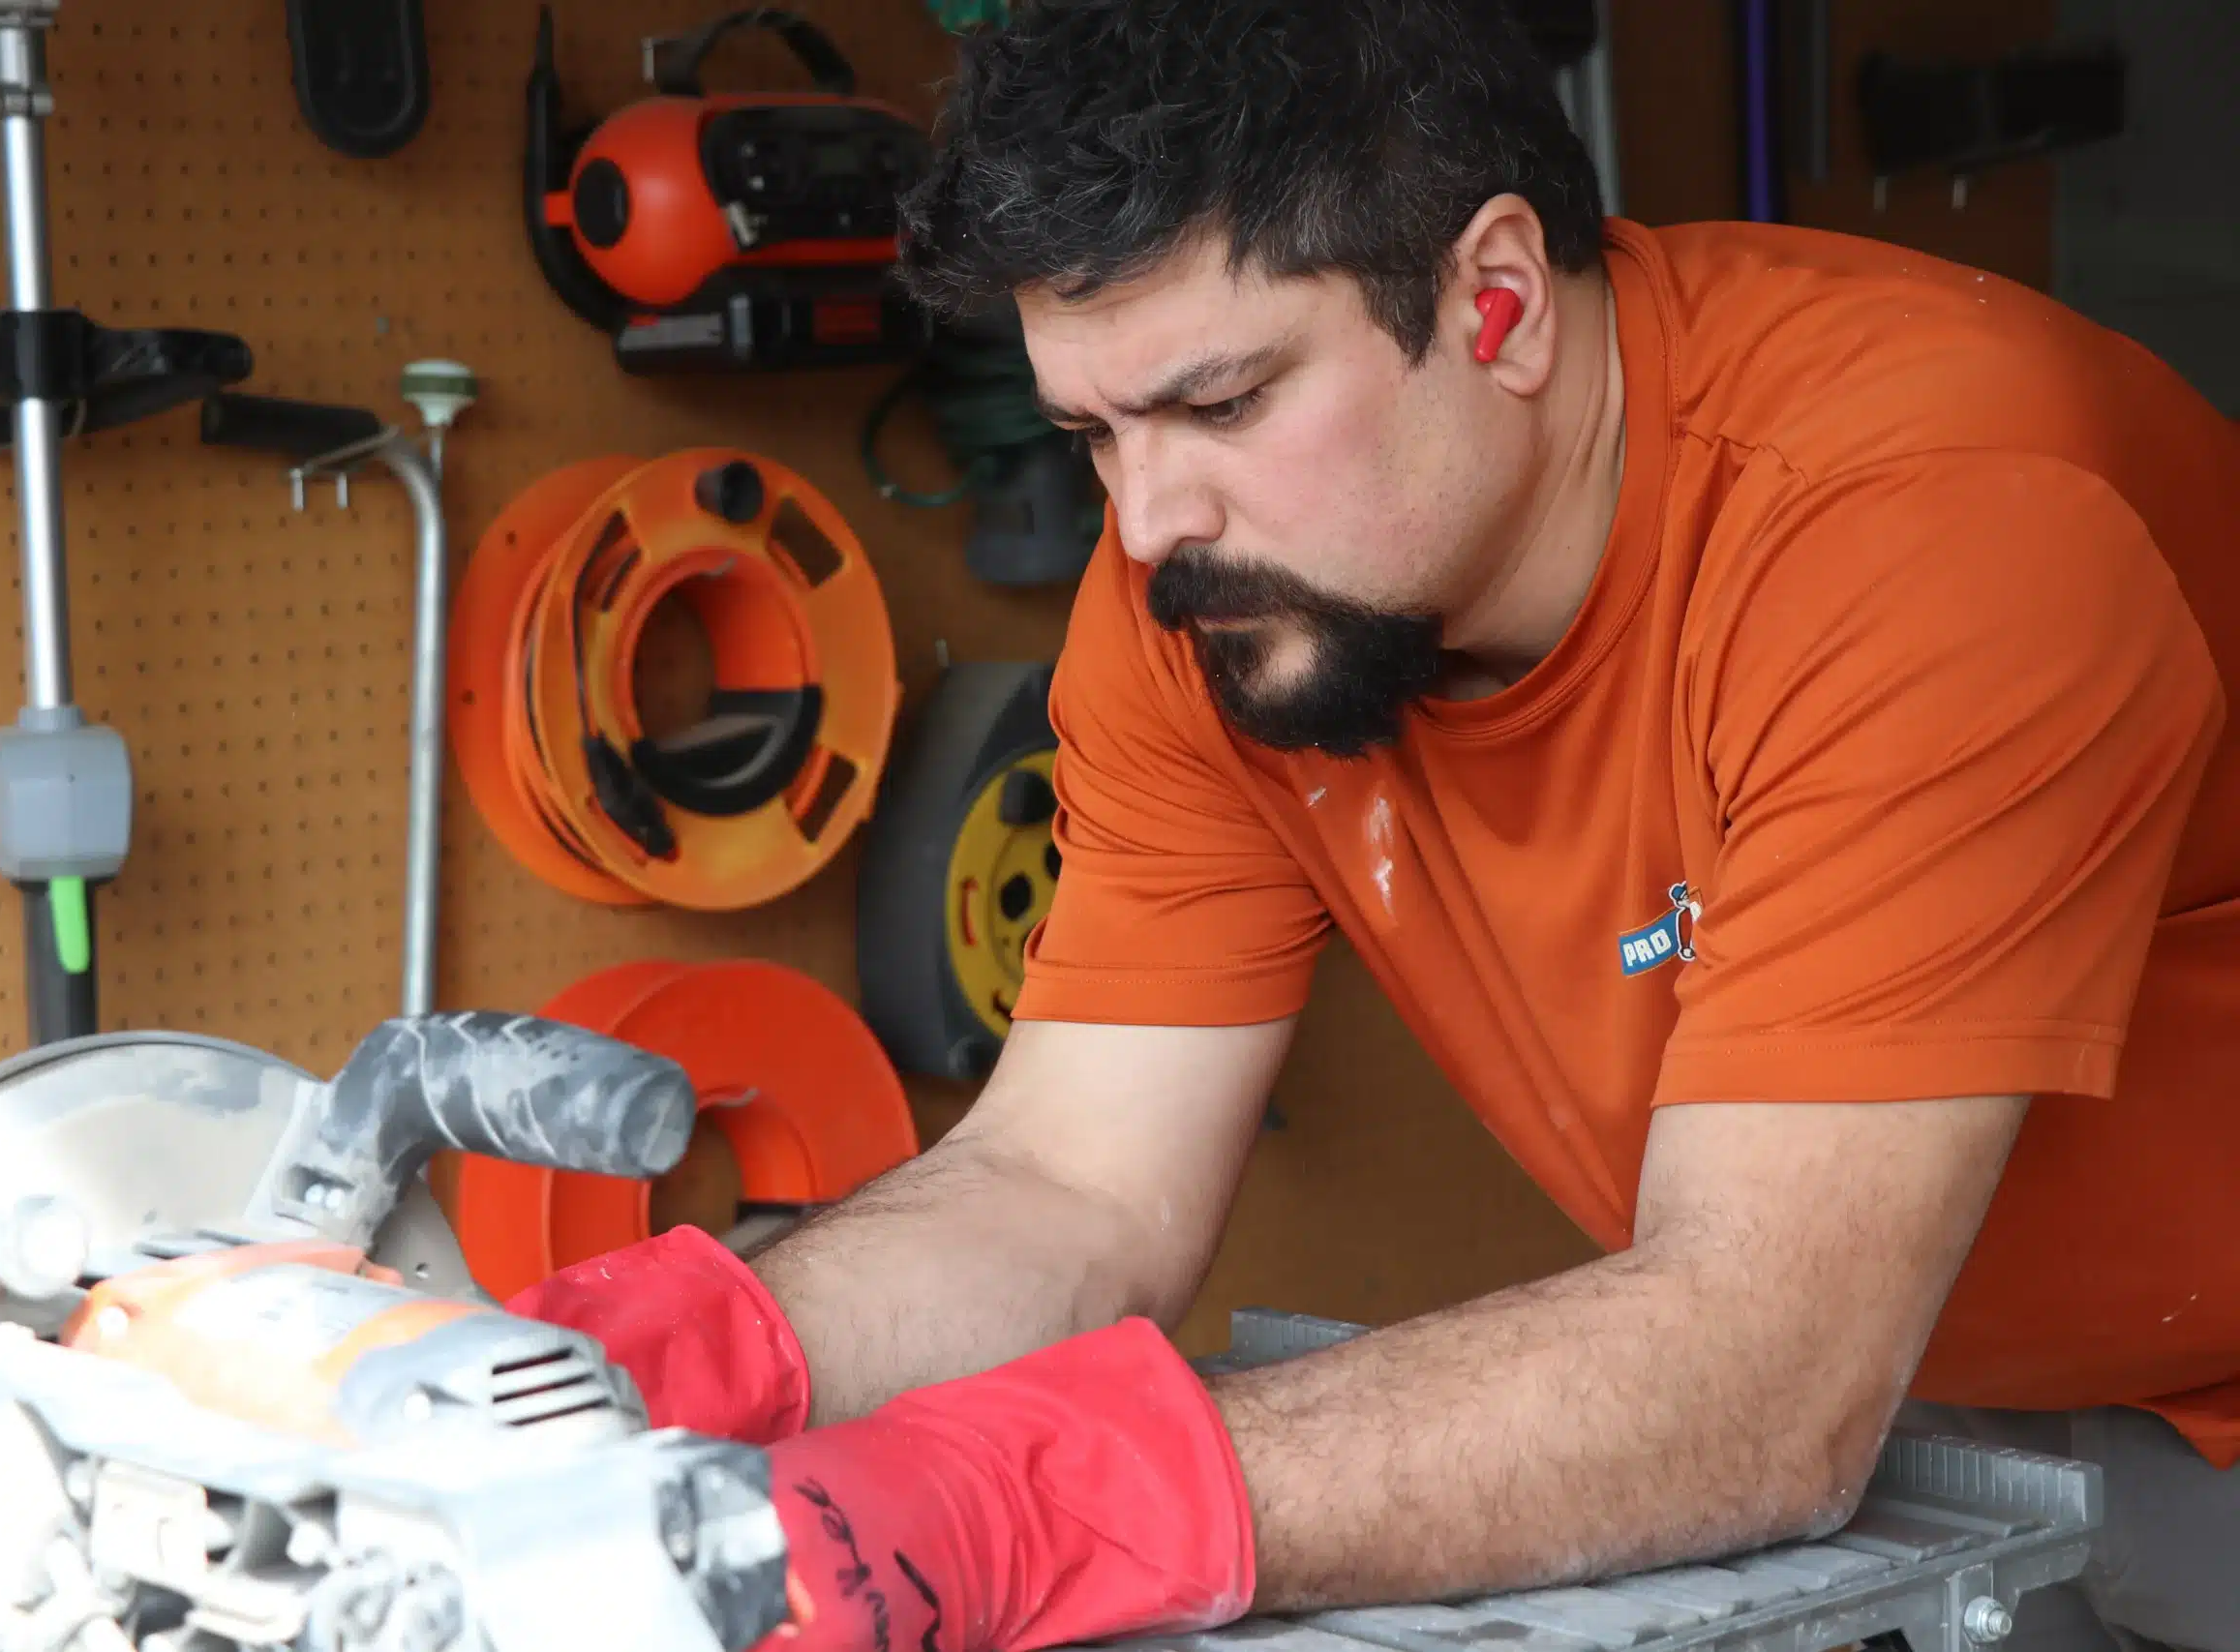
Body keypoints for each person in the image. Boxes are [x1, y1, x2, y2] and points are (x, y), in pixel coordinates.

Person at [515, 3, 2240, 1649]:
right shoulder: (1228, 584)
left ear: (1496, 304)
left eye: (1222, 401)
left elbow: (1765, 1371)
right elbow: (1070, 1179)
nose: (1141, 525)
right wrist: (660, 1360)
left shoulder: (1923, 524)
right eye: (1089, 432)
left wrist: (1029, 1495)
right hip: (1934, 1363)